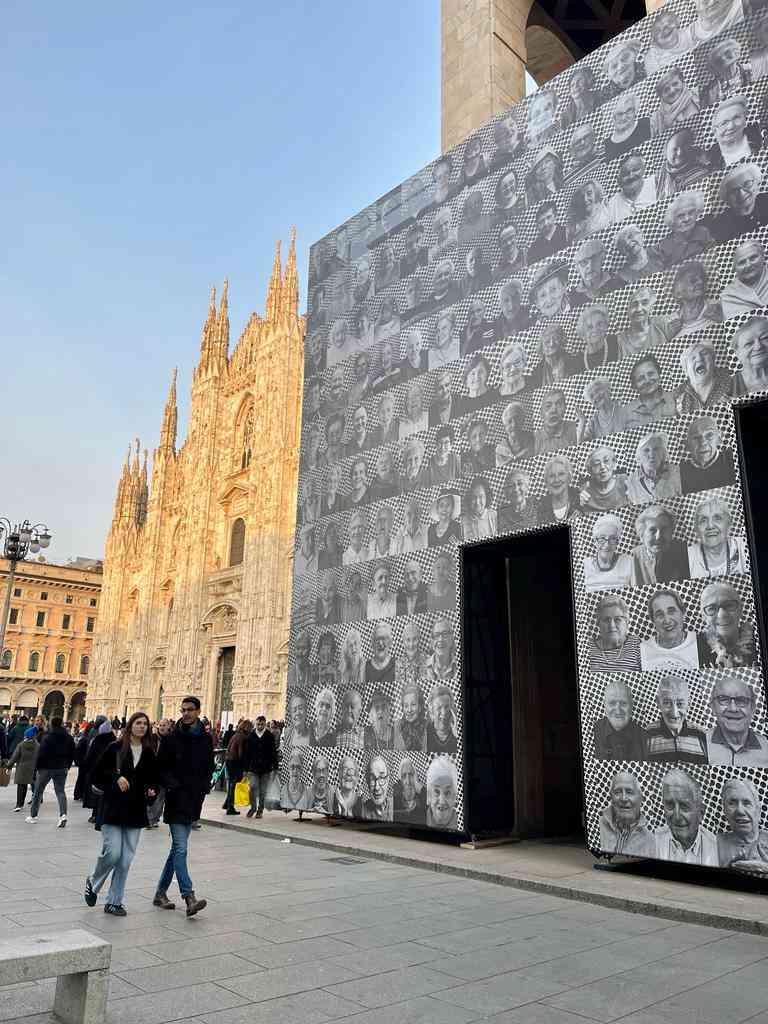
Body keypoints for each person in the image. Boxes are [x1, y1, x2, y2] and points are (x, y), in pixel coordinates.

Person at [84, 712, 159, 917]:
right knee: (113, 852)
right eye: (138, 723)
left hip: (135, 810)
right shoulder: (115, 748)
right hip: (113, 808)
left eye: (145, 724)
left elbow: (153, 780)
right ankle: (93, 881)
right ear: (130, 726)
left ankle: (114, 902)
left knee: (125, 860)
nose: (142, 727)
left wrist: (152, 791)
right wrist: (116, 777)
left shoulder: (149, 752)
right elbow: (96, 774)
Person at [153, 696, 213, 916]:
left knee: (175, 851)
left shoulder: (206, 739)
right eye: (183, 709)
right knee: (181, 848)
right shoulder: (171, 739)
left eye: (190, 710)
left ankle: (160, 893)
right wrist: (172, 786)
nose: (185, 713)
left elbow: (209, 766)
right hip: (177, 799)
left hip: (194, 800)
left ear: (198, 711)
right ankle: (189, 896)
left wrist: (205, 787)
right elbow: (161, 768)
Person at [655, 769, 718, 866]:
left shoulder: (717, 849)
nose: (676, 816)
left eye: (684, 806)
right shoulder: (651, 842)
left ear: (701, 813)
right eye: (670, 805)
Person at [26, 715, 75, 827]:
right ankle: (63, 815)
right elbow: (72, 752)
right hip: (61, 767)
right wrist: (67, 765)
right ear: (62, 724)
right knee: (60, 791)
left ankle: (33, 816)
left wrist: (37, 768)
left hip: (46, 768)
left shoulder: (47, 737)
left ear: (52, 724)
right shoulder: (69, 737)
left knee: (38, 791)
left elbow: (41, 753)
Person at [708, 676, 768, 767]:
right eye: (723, 700)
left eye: (742, 700)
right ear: (713, 707)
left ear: (753, 709)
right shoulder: (700, 743)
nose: (733, 708)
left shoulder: (766, 747)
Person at [698, 580, 756, 669]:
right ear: (704, 616)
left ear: (740, 609)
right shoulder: (696, 647)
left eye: (729, 605)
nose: (722, 615)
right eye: (712, 608)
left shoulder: (758, 639)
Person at [640, 591, 701, 672]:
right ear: (653, 620)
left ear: (683, 613)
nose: (667, 620)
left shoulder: (700, 643)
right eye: (659, 614)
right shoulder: (642, 650)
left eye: (671, 611)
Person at [688, 496, 747, 579]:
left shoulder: (745, 547)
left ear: (729, 524)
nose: (710, 526)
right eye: (703, 520)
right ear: (696, 529)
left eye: (717, 518)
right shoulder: (687, 557)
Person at [598, 771, 655, 857]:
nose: (624, 798)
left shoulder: (650, 840)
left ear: (640, 798)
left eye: (629, 792)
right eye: (617, 792)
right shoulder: (597, 826)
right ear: (611, 796)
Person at [631, 504, 689, 586]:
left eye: (664, 529)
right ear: (641, 535)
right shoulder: (630, 559)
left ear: (672, 532)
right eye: (652, 530)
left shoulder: (686, 552)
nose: (658, 537)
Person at [717, 777, 768, 872]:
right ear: (725, 811)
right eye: (732, 803)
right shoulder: (712, 843)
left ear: (758, 811)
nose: (740, 811)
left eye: (746, 803)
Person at [707, 163, 768, 242]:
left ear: (756, 185)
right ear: (727, 199)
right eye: (733, 191)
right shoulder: (720, 226)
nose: (741, 194)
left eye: (747, 184)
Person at [679, 415, 736, 494]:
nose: (703, 443)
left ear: (719, 439)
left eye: (709, 435)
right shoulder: (680, 472)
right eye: (696, 437)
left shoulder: (733, 460)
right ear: (687, 445)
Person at [708, 95, 766, 170]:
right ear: (715, 131)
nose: (731, 126)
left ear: (745, 118)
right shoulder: (710, 160)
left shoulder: (760, 134)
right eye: (724, 123)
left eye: (736, 118)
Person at [658, 190, 714, 267]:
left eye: (691, 212)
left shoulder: (703, 232)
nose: (687, 218)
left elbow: (712, 256)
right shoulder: (664, 245)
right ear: (672, 220)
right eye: (681, 215)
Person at [587, 595, 642, 673]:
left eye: (617, 619)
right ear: (598, 623)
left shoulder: (637, 644)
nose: (611, 625)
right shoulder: (587, 647)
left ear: (626, 622)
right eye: (606, 620)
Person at [668, 262, 723, 339]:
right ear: (678, 293)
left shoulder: (718, 307)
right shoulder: (670, 321)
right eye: (693, 280)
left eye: (703, 279)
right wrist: (669, 336)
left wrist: (723, 319)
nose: (700, 282)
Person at [619, 286, 674, 362]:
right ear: (628, 310)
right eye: (634, 304)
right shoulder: (619, 341)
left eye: (644, 303)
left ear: (651, 307)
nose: (639, 309)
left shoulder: (662, 325)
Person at [594, 681, 645, 760]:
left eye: (623, 703)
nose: (618, 710)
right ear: (604, 705)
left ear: (631, 705)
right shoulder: (591, 733)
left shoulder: (644, 737)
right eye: (612, 703)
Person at [655, 128, 711, 200]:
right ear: (666, 152)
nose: (680, 153)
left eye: (685, 147)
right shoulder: (659, 175)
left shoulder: (701, 173)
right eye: (675, 149)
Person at [626, 432, 681, 504]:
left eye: (656, 449)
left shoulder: (678, 474)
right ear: (639, 457)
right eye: (646, 450)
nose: (652, 455)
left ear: (664, 453)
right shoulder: (630, 482)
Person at [606, 152, 658, 223]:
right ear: (619, 179)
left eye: (635, 170)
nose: (631, 176)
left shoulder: (656, 183)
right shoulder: (612, 205)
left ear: (643, 169)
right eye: (625, 173)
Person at [722, 240, 768, 319]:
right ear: (734, 268)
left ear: (763, 257)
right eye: (742, 262)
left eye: (753, 258)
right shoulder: (728, 295)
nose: (748, 265)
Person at [702, 37, 754, 107]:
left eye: (727, 52)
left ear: (736, 53)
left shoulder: (751, 70)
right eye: (718, 58)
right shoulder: (709, 90)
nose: (723, 58)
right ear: (715, 67)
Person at [244, 715, 278, 818]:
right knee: (252, 787)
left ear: (265, 724)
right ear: (255, 723)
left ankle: (260, 810)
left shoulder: (269, 736)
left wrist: (275, 766)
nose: (259, 726)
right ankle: (253, 807)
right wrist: (245, 769)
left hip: (265, 768)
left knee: (263, 791)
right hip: (253, 768)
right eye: (258, 724)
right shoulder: (251, 736)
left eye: (262, 724)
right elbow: (247, 753)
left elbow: (273, 752)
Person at [650, 67, 700, 136]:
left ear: (682, 81)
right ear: (661, 96)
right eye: (666, 89)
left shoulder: (698, 94)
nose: (672, 91)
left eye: (675, 84)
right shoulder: (655, 120)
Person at [579, 446, 629, 513]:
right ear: (590, 471)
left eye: (606, 461)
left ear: (613, 463)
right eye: (597, 464)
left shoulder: (625, 480)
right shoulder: (585, 490)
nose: (602, 467)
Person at [643, 8, 694, 74]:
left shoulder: (689, 33)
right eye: (657, 30)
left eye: (669, 22)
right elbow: (655, 77)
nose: (665, 29)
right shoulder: (652, 56)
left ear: (677, 21)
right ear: (652, 40)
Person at [604, 91, 650, 163]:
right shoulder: (607, 145)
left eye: (629, 111)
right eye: (619, 114)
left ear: (635, 111)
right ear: (613, 118)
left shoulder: (646, 124)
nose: (624, 117)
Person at [538, 454, 580, 524]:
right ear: (546, 481)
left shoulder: (580, 498)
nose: (556, 480)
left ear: (569, 478)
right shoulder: (540, 506)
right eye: (551, 476)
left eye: (561, 474)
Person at [569, 238, 613, 305]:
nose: (590, 266)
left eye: (594, 259)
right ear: (577, 268)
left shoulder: (616, 279)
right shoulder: (572, 297)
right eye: (584, 262)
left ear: (602, 258)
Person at [534, 388, 578, 453]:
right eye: (548, 406)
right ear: (541, 413)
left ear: (565, 409)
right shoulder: (534, 440)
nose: (553, 410)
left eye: (559, 404)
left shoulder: (576, 428)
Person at [223, 718, 251, 815]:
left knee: (231, 783)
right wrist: (244, 767)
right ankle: (230, 807)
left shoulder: (236, 735)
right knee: (234, 784)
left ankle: (226, 803)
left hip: (229, 760)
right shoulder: (243, 737)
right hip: (235, 762)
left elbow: (228, 747)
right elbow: (241, 753)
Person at [6, 726, 38, 812]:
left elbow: (14, 757)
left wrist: (8, 766)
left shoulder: (21, 745)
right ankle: (25, 802)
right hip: (32, 768)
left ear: (26, 736)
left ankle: (19, 804)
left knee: (21, 786)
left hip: (22, 768)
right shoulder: (37, 745)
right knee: (27, 784)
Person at [497, 467, 538, 533]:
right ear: (506, 491)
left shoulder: (537, 505)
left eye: (520, 483)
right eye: (511, 486)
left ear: (527, 487)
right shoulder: (500, 512)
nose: (515, 489)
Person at [527, 199, 566, 264]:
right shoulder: (534, 248)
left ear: (555, 216)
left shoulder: (566, 232)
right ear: (538, 225)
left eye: (549, 217)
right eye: (542, 221)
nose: (545, 223)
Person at [496, 400, 534, 465]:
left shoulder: (533, 440)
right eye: (509, 421)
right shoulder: (500, 450)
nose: (514, 425)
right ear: (505, 426)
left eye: (517, 419)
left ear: (523, 421)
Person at [425, 756, 458, 829]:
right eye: (436, 791)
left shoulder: (462, 825)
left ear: (455, 796)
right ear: (428, 795)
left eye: (447, 792)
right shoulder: (417, 820)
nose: (442, 801)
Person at [461, 476, 497, 541]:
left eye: (481, 497)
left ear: (487, 497)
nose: (477, 502)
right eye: (474, 497)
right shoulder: (463, 521)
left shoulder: (494, 516)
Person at [393, 756, 426, 824]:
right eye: (404, 776)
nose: (408, 781)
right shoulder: (395, 801)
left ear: (415, 777)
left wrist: (421, 788)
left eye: (411, 775)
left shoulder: (422, 799)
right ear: (400, 780)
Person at [426, 684, 458, 753]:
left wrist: (458, 735)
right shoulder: (424, 734)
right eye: (439, 708)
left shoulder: (457, 733)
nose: (443, 713)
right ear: (432, 710)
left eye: (447, 707)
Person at [424, 616, 457, 683]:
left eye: (445, 634)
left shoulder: (458, 665)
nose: (440, 639)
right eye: (436, 635)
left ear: (451, 638)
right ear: (432, 641)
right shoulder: (423, 666)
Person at [361, 755, 393, 821]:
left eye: (381, 778)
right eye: (372, 779)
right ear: (367, 781)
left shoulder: (396, 805)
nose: (377, 787)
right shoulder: (361, 810)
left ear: (387, 780)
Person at [395, 622, 427, 688]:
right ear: (403, 642)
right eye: (408, 640)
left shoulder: (428, 661)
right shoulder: (397, 665)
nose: (411, 644)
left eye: (414, 639)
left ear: (419, 640)